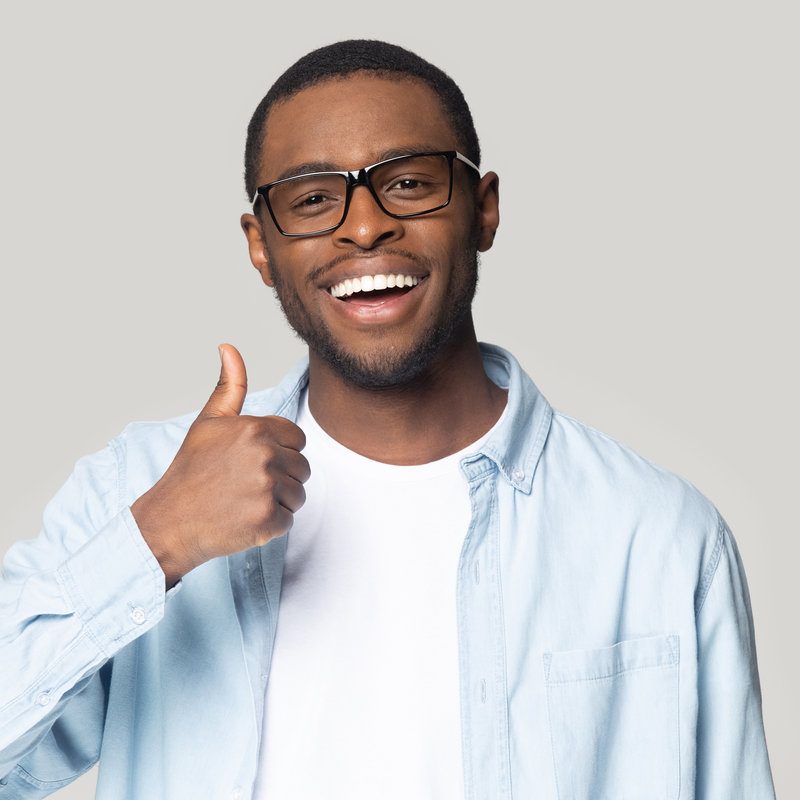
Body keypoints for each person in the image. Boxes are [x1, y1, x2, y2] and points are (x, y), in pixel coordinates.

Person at [0, 38, 776, 800]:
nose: (366, 227)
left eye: (407, 184)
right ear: (261, 247)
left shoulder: (658, 535)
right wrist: (159, 541)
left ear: (484, 210)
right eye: (313, 199)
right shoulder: (144, 489)